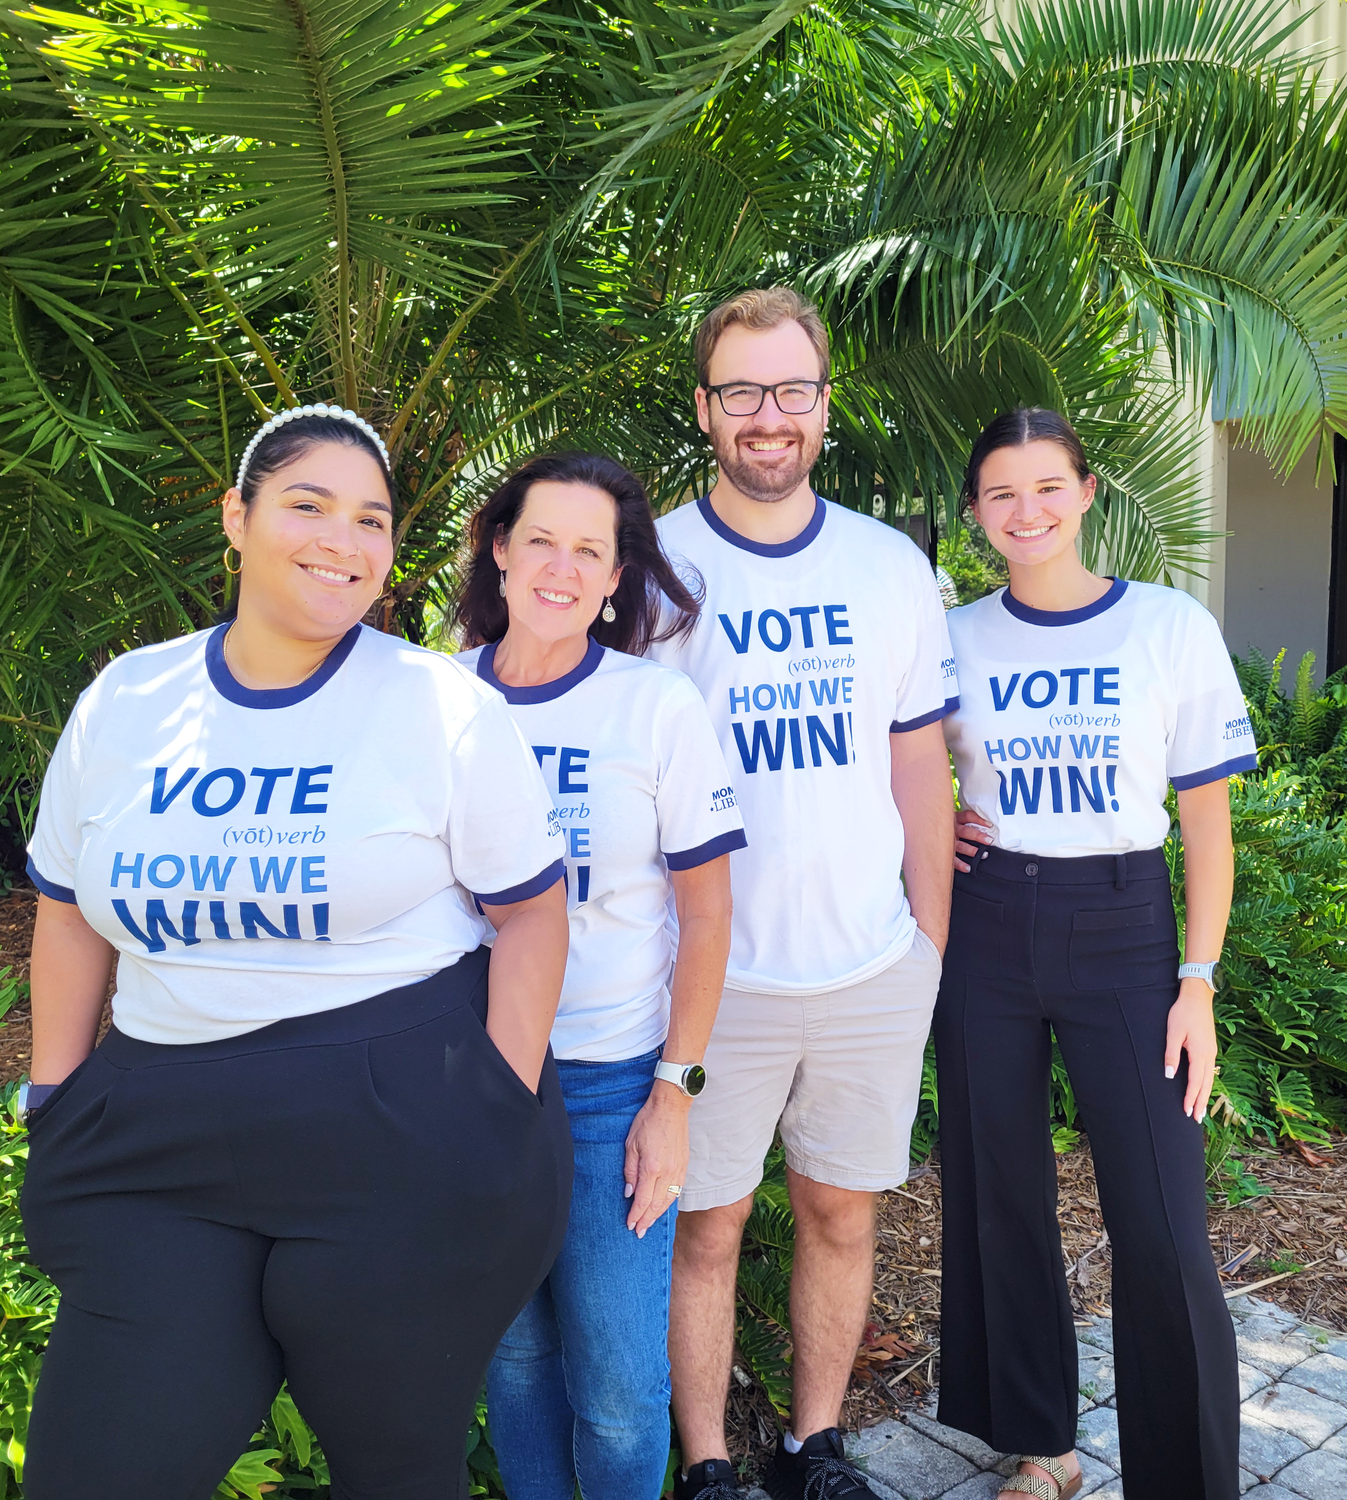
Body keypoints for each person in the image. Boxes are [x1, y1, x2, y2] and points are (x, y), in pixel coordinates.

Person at [18, 405, 574, 1500]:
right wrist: (55, 1093)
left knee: (393, 1467)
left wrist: (499, 1099)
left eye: (372, 520)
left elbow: (535, 913)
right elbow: (71, 911)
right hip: (157, 1148)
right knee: (98, 1470)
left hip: (403, 1147)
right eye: (308, 504)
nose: (345, 539)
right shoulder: (126, 700)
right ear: (237, 516)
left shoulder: (440, 705)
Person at [650, 288, 959, 1500]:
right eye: (741, 393)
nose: (767, 417)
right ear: (705, 409)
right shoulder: (656, 567)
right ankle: (713, 1465)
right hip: (714, 980)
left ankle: (815, 1446)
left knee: (840, 1213)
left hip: (869, 968)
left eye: (790, 391)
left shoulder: (889, 568)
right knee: (706, 1227)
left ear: (825, 405)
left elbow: (919, 768)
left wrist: (928, 946)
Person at [936, 408, 1256, 1500]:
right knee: (999, 1191)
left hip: (1123, 925)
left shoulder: (1167, 627)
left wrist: (1197, 983)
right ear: (977, 511)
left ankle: (1187, 1477)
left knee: (1162, 1219)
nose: (1026, 512)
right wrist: (929, 828)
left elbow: (1207, 826)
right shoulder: (956, 638)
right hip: (986, 922)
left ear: (1087, 491)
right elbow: (885, 770)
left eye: (1047, 487)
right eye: (1001, 494)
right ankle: (1043, 1444)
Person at [453, 452, 745, 1500]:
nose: (563, 568)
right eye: (541, 540)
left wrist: (673, 1093)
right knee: (516, 1359)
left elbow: (708, 914)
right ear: (499, 549)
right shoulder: (437, 697)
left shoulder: (654, 709)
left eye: (592, 549)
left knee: (620, 1388)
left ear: (618, 575)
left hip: (610, 1086)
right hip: (474, 1084)